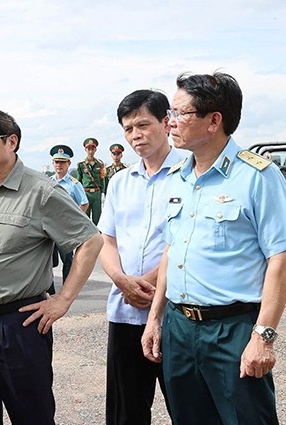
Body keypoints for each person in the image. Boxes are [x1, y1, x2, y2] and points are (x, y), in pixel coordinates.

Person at [141, 72, 286, 424]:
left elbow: (280, 258)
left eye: (179, 113)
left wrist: (263, 337)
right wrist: (155, 318)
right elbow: (171, 252)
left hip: (232, 328)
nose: (169, 122)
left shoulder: (258, 176)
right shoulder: (177, 178)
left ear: (213, 121)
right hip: (179, 326)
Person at [0, 109, 103, 424]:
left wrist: (63, 300)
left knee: (31, 416)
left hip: (19, 326)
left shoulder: (41, 192)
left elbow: (90, 241)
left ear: (11, 141)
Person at [99, 89, 181, 424]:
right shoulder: (120, 182)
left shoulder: (189, 175)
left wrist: (143, 285)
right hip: (124, 314)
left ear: (166, 122)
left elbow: (180, 244)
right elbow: (107, 242)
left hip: (173, 313)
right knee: (126, 411)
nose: (136, 135)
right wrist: (121, 281)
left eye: (143, 125)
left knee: (188, 406)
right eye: (128, 128)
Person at [49, 144, 88, 292]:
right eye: (56, 162)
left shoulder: (74, 184)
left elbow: (84, 203)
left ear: (68, 164)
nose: (59, 165)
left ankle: (67, 288)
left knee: (68, 260)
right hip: (50, 227)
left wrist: (74, 222)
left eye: (62, 162)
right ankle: (49, 289)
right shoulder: (48, 181)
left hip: (65, 229)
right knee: (47, 261)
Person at [75, 137, 106, 225]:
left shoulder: (100, 164)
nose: (91, 151)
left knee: (97, 218)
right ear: (85, 149)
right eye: (88, 149)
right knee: (85, 218)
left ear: (95, 149)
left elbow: (102, 179)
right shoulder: (81, 165)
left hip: (96, 193)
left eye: (92, 149)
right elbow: (79, 180)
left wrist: (102, 193)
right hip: (86, 193)